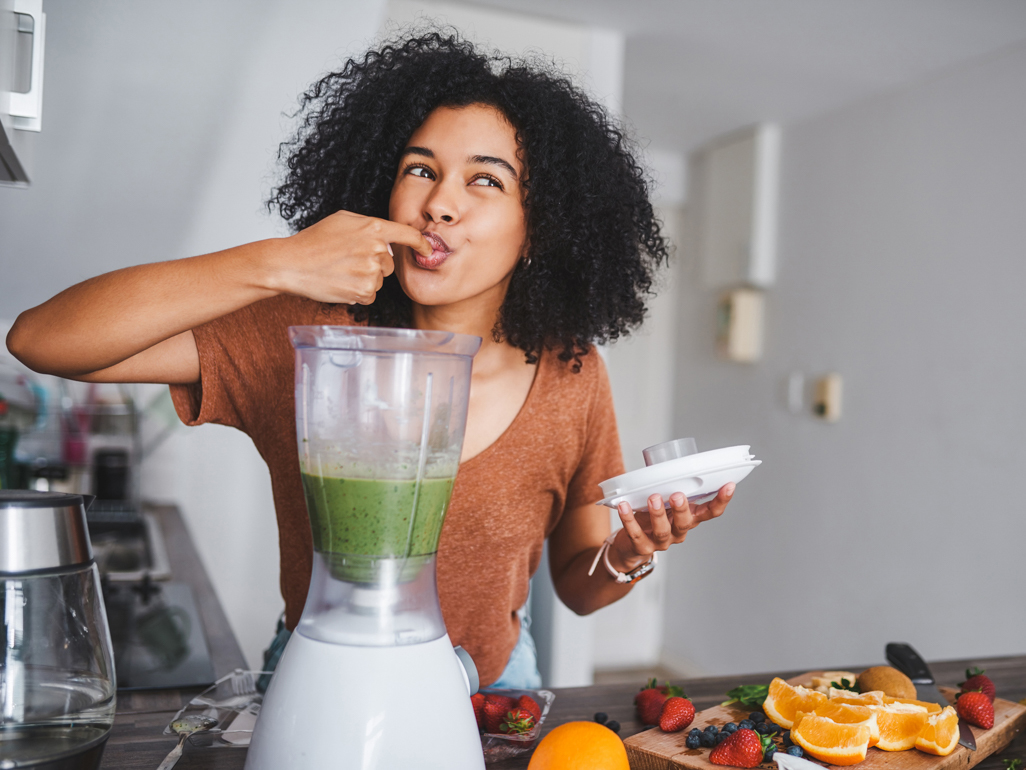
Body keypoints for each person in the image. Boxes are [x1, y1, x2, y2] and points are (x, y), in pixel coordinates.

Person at [6, 31, 734, 688]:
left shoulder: (572, 374)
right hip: (320, 681)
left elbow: (579, 588)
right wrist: (280, 262)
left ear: (538, 226)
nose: (438, 203)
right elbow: (43, 340)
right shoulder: (307, 336)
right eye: (420, 169)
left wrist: (632, 552)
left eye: (485, 179)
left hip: (495, 696)